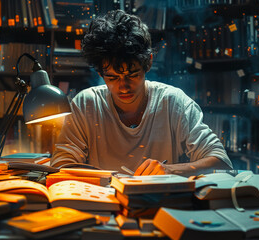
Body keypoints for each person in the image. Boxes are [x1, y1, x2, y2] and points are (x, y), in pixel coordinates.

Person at [51, 10, 232, 176]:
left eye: (133, 74)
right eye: (113, 78)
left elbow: (222, 162)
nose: (123, 86)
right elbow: (61, 165)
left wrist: (169, 170)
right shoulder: (86, 105)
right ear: (100, 73)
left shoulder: (173, 103)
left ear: (148, 63)